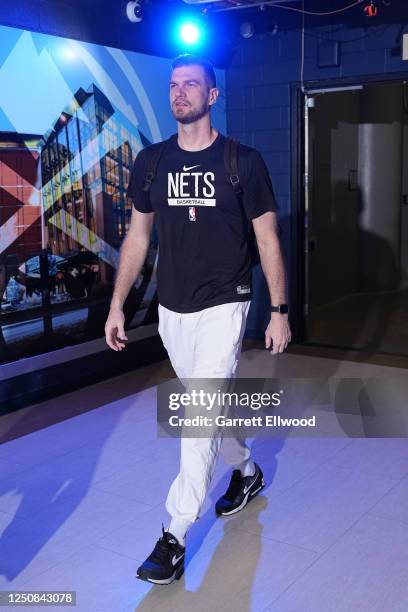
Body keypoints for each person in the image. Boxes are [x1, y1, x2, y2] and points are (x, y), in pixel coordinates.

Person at [104, 53, 291, 585]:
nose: (179, 92)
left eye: (191, 84)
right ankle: (247, 473)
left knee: (197, 416)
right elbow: (139, 237)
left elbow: (267, 239)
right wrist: (117, 304)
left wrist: (278, 310)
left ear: (212, 96)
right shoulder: (150, 161)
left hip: (224, 304)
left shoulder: (242, 161)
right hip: (173, 309)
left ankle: (174, 533)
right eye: (173, 84)